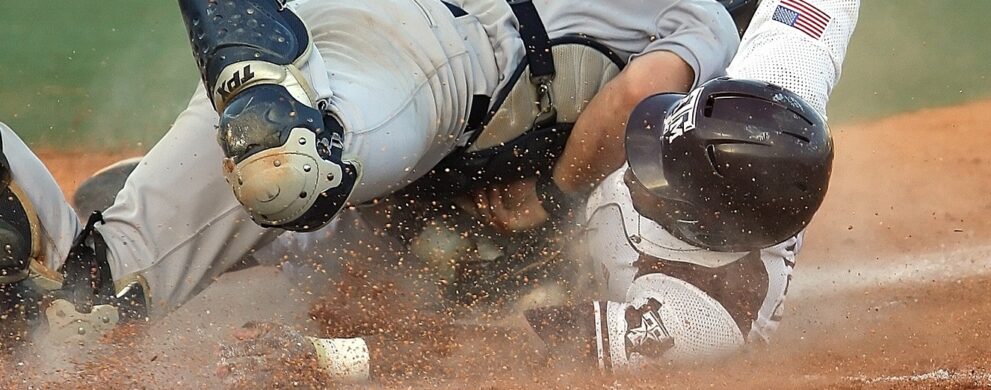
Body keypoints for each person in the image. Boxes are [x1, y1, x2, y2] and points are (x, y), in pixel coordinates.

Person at [0, 0, 741, 351]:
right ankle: (264, 105)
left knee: (85, 295)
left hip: (319, 34)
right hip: (428, 58)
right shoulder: (706, 14)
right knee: (292, 172)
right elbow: (641, 94)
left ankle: (252, 83)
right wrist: (554, 194)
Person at [217, 0, 857, 384]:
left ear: (703, 228)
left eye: (658, 175)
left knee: (446, 267)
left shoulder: (689, 319)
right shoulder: (774, 88)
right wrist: (555, 193)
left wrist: (332, 361)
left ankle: (294, 243)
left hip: (569, 267)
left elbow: (512, 349)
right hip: (570, 200)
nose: (644, 154)